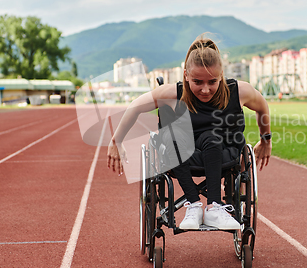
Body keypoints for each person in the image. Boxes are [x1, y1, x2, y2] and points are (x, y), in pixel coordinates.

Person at [107, 34, 271, 230]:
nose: (205, 89)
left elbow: (262, 107)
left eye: (212, 82)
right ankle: (193, 205)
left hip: (223, 150)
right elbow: (135, 107)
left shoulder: (239, 91)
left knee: (212, 137)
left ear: (221, 76)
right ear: (185, 75)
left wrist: (266, 140)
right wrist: (117, 141)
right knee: (172, 137)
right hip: (180, 153)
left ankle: (214, 207)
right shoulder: (172, 93)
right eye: (197, 82)